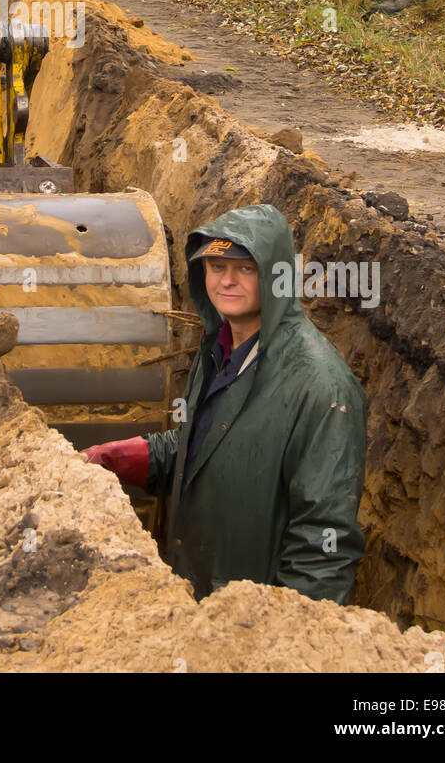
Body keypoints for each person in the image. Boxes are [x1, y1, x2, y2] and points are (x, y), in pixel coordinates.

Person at [83, 203, 367, 604]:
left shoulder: (322, 387)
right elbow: (203, 449)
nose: (227, 281)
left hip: (251, 625)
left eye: (245, 269)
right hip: (197, 600)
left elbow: (324, 545)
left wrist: (285, 634)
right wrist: (132, 457)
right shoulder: (218, 349)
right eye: (216, 267)